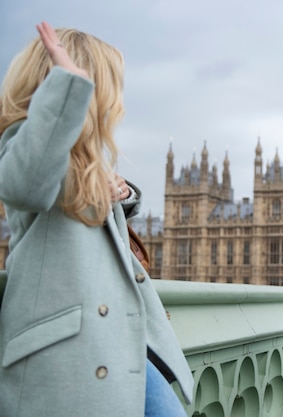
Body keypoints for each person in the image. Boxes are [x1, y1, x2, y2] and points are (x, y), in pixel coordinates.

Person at [0, 22, 193, 416]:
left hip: (120, 343)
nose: (114, 105)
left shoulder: (85, 163)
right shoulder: (25, 147)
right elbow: (27, 185)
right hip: (66, 358)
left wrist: (122, 195)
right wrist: (67, 89)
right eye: (106, 91)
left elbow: (90, 226)